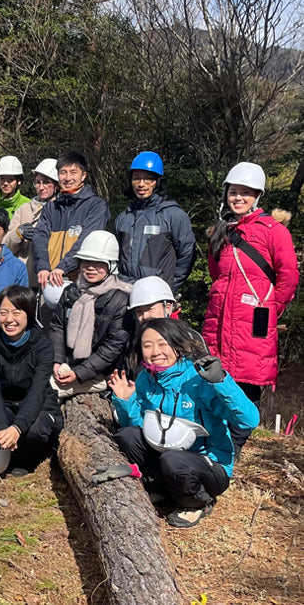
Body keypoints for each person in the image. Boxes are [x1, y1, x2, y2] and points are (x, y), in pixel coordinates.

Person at [110, 318, 259, 527]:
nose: (155, 352)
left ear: (177, 344)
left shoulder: (199, 379)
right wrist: (125, 402)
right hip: (166, 456)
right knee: (127, 436)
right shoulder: (145, 379)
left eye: (163, 344)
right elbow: (141, 428)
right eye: (147, 345)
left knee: (173, 460)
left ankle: (198, 501)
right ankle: (162, 490)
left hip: (208, 464)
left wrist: (222, 382)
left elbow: (249, 420)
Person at [203, 162, 298, 452]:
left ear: (257, 196)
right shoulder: (221, 230)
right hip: (219, 318)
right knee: (215, 380)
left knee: (247, 382)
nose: (238, 198)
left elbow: (288, 275)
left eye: (246, 192)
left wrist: (270, 310)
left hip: (254, 321)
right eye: (234, 192)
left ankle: (235, 448)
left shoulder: (273, 231)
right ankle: (215, 444)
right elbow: (216, 273)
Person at [0, 285, 61, 476]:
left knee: (35, 429)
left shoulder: (43, 346)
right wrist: (2, 429)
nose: (9, 319)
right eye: (3, 313)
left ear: (29, 314)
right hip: (7, 404)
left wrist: (17, 427)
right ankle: (2, 452)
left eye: (16, 312)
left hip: (39, 406)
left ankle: (27, 461)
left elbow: (37, 391)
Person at [49, 231, 132, 398]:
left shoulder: (120, 299)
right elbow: (57, 326)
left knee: (48, 390)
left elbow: (113, 346)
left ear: (111, 266)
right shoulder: (71, 291)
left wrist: (79, 373)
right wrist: (57, 359)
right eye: (86, 261)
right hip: (68, 364)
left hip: (102, 373)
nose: (91, 268)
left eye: (99, 263)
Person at [113, 152, 196, 291]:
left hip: (157, 293)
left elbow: (187, 256)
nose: (141, 184)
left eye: (148, 179)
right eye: (136, 178)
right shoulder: (124, 218)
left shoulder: (173, 215)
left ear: (158, 181)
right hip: (126, 291)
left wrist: (169, 287)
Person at [32, 152, 110, 292]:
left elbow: (86, 240)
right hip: (50, 283)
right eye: (63, 173)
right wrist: (43, 267)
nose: (68, 178)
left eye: (73, 172)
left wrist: (63, 267)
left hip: (82, 284)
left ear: (83, 175)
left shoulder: (96, 206)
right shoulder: (51, 208)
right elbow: (40, 238)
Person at [4, 158, 59, 285]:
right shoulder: (24, 209)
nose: (41, 187)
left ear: (56, 185)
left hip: (49, 279)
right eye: (38, 182)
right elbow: (5, 246)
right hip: (23, 279)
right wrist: (18, 233)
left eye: (46, 182)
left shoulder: (62, 211)